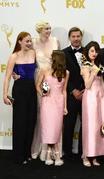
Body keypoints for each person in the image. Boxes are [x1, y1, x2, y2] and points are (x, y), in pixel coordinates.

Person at [2, 32, 37, 164]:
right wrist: (4, 95)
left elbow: (40, 72)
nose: (29, 43)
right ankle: (18, 155)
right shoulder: (14, 56)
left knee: (31, 121)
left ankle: (27, 153)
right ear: (19, 42)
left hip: (32, 89)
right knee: (20, 122)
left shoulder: (33, 53)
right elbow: (7, 77)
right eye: (27, 41)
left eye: (30, 41)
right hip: (20, 90)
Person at [80, 41, 104, 167]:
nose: (94, 53)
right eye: (92, 51)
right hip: (90, 99)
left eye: (96, 51)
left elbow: (102, 82)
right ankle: (86, 156)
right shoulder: (85, 66)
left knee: (99, 126)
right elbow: (87, 85)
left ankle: (96, 154)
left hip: (100, 98)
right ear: (87, 52)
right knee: (90, 126)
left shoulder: (98, 65)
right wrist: (93, 72)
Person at [31, 21, 60, 161]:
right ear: (39, 29)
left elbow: (59, 60)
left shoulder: (55, 41)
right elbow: (28, 59)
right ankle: (41, 148)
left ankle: (54, 149)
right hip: (39, 77)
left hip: (53, 78)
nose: (49, 30)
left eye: (50, 28)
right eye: (46, 28)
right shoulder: (34, 42)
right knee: (40, 113)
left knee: (53, 114)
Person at [36, 50, 69, 166]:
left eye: (52, 57)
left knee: (56, 129)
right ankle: (51, 154)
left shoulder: (66, 73)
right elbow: (38, 85)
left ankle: (55, 154)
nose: (50, 59)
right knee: (48, 128)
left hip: (59, 103)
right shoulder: (45, 70)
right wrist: (43, 93)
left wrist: (65, 106)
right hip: (47, 102)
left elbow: (64, 90)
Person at [62, 27, 85, 160]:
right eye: (73, 36)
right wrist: (72, 90)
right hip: (70, 95)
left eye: (78, 36)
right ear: (69, 38)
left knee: (85, 124)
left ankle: (83, 151)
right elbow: (62, 74)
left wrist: (84, 89)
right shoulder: (63, 53)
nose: (76, 39)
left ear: (81, 37)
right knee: (69, 124)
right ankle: (67, 151)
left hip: (85, 93)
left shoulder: (88, 51)